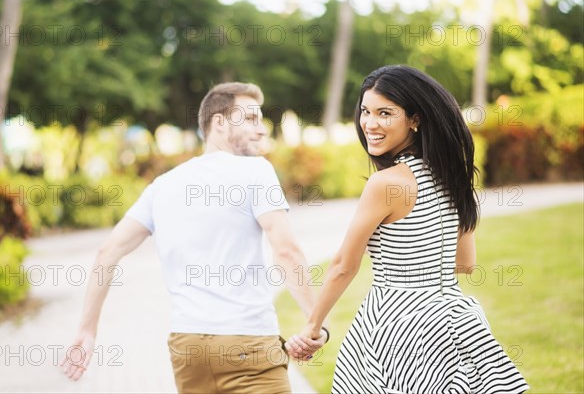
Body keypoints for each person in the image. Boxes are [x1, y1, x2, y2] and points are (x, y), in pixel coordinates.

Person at [61, 82, 326, 394]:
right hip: (247, 342)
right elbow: (287, 253)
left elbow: (107, 252)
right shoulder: (256, 171)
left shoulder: (163, 185)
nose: (262, 129)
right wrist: (315, 324)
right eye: (251, 119)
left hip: (187, 347)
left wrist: (87, 329)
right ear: (219, 122)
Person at [286, 66, 530, 393]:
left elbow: (344, 265)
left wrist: (313, 328)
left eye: (385, 113)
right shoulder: (453, 178)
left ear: (414, 119)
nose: (370, 123)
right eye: (365, 112)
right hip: (456, 321)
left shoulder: (386, 184)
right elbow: (465, 264)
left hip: (395, 324)